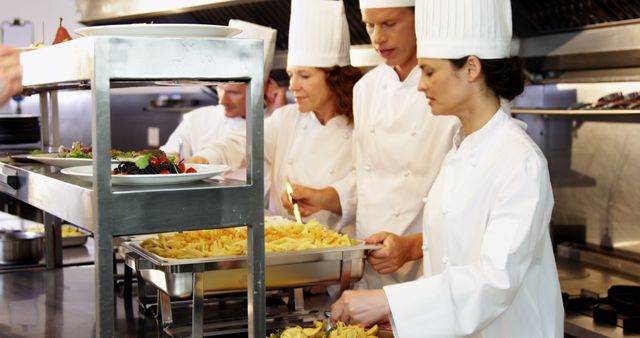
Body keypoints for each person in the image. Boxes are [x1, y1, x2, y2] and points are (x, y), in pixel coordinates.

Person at [330, 0, 564, 336]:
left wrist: (389, 302)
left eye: (429, 71)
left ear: (471, 68)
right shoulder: (458, 152)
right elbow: (444, 264)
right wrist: (397, 322)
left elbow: (495, 280)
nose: (421, 85)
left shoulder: (520, 161)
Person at [282, 0, 458, 289]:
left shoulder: (449, 89)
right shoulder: (366, 88)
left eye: (390, 24)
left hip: (430, 263)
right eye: (370, 25)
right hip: (371, 259)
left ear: (420, 20)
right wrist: (326, 196)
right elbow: (369, 174)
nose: (377, 38)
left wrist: (413, 246)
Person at [198, 0, 362, 229]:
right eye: (290, 75)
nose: (293, 85)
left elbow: (368, 186)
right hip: (285, 244)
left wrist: (325, 197)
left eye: (304, 76)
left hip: (338, 252)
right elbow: (243, 143)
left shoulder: (362, 125)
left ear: (335, 78)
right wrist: (204, 159)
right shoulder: (286, 119)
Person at [160, 19, 281, 167]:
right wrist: (171, 158)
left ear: (261, 89)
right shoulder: (197, 119)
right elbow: (168, 152)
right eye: (220, 88)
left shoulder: (272, 125)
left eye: (233, 93)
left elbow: (234, 147)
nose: (223, 100)